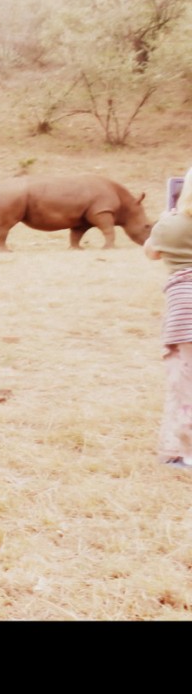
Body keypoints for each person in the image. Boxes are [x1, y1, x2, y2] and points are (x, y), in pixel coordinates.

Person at [143, 168, 192, 470]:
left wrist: (164, 220)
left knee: (185, 382)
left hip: (184, 310)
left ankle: (186, 451)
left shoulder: (170, 224)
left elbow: (151, 253)